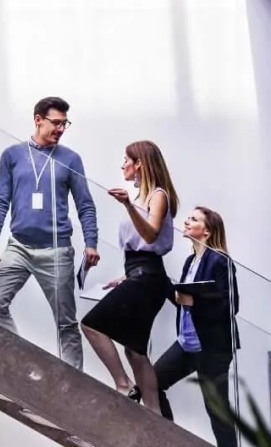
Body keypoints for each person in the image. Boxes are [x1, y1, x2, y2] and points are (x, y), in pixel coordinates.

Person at [0, 96, 99, 371]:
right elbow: (0, 198)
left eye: (64, 124)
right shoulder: (12, 155)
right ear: (38, 120)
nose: (60, 129)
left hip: (56, 251)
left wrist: (91, 242)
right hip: (19, 247)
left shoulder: (70, 159)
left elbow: (85, 205)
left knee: (66, 323)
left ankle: (73, 384)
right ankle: (21, 361)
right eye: (56, 123)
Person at [81, 140, 180, 414]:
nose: (122, 165)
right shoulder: (142, 198)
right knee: (135, 349)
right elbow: (139, 249)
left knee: (91, 325)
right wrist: (125, 276)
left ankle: (124, 385)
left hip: (148, 278)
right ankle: (154, 412)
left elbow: (150, 236)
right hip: (141, 274)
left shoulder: (157, 196)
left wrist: (127, 205)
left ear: (140, 164)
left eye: (126, 160)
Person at [154, 206, 239, 447]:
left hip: (211, 348)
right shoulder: (191, 261)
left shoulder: (220, 260)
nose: (187, 221)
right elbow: (185, 300)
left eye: (193, 219)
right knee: (152, 383)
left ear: (207, 231)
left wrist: (194, 301)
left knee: (218, 413)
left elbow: (231, 305)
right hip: (187, 343)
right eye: (188, 217)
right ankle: (168, 440)